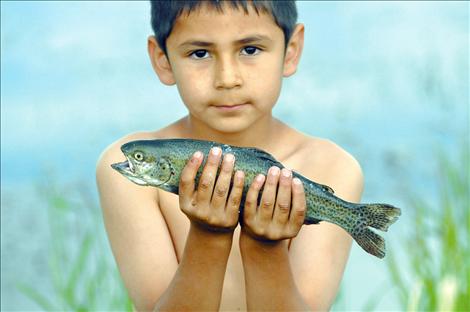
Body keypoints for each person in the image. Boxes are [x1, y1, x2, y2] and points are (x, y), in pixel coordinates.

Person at [96, 1, 364, 310]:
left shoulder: (333, 167)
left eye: (250, 50)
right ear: (163, 60)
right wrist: (208, 236)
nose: (227, 78)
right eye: (200, 53)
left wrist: (266, 246)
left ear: (291, 50)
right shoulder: (126, 171)